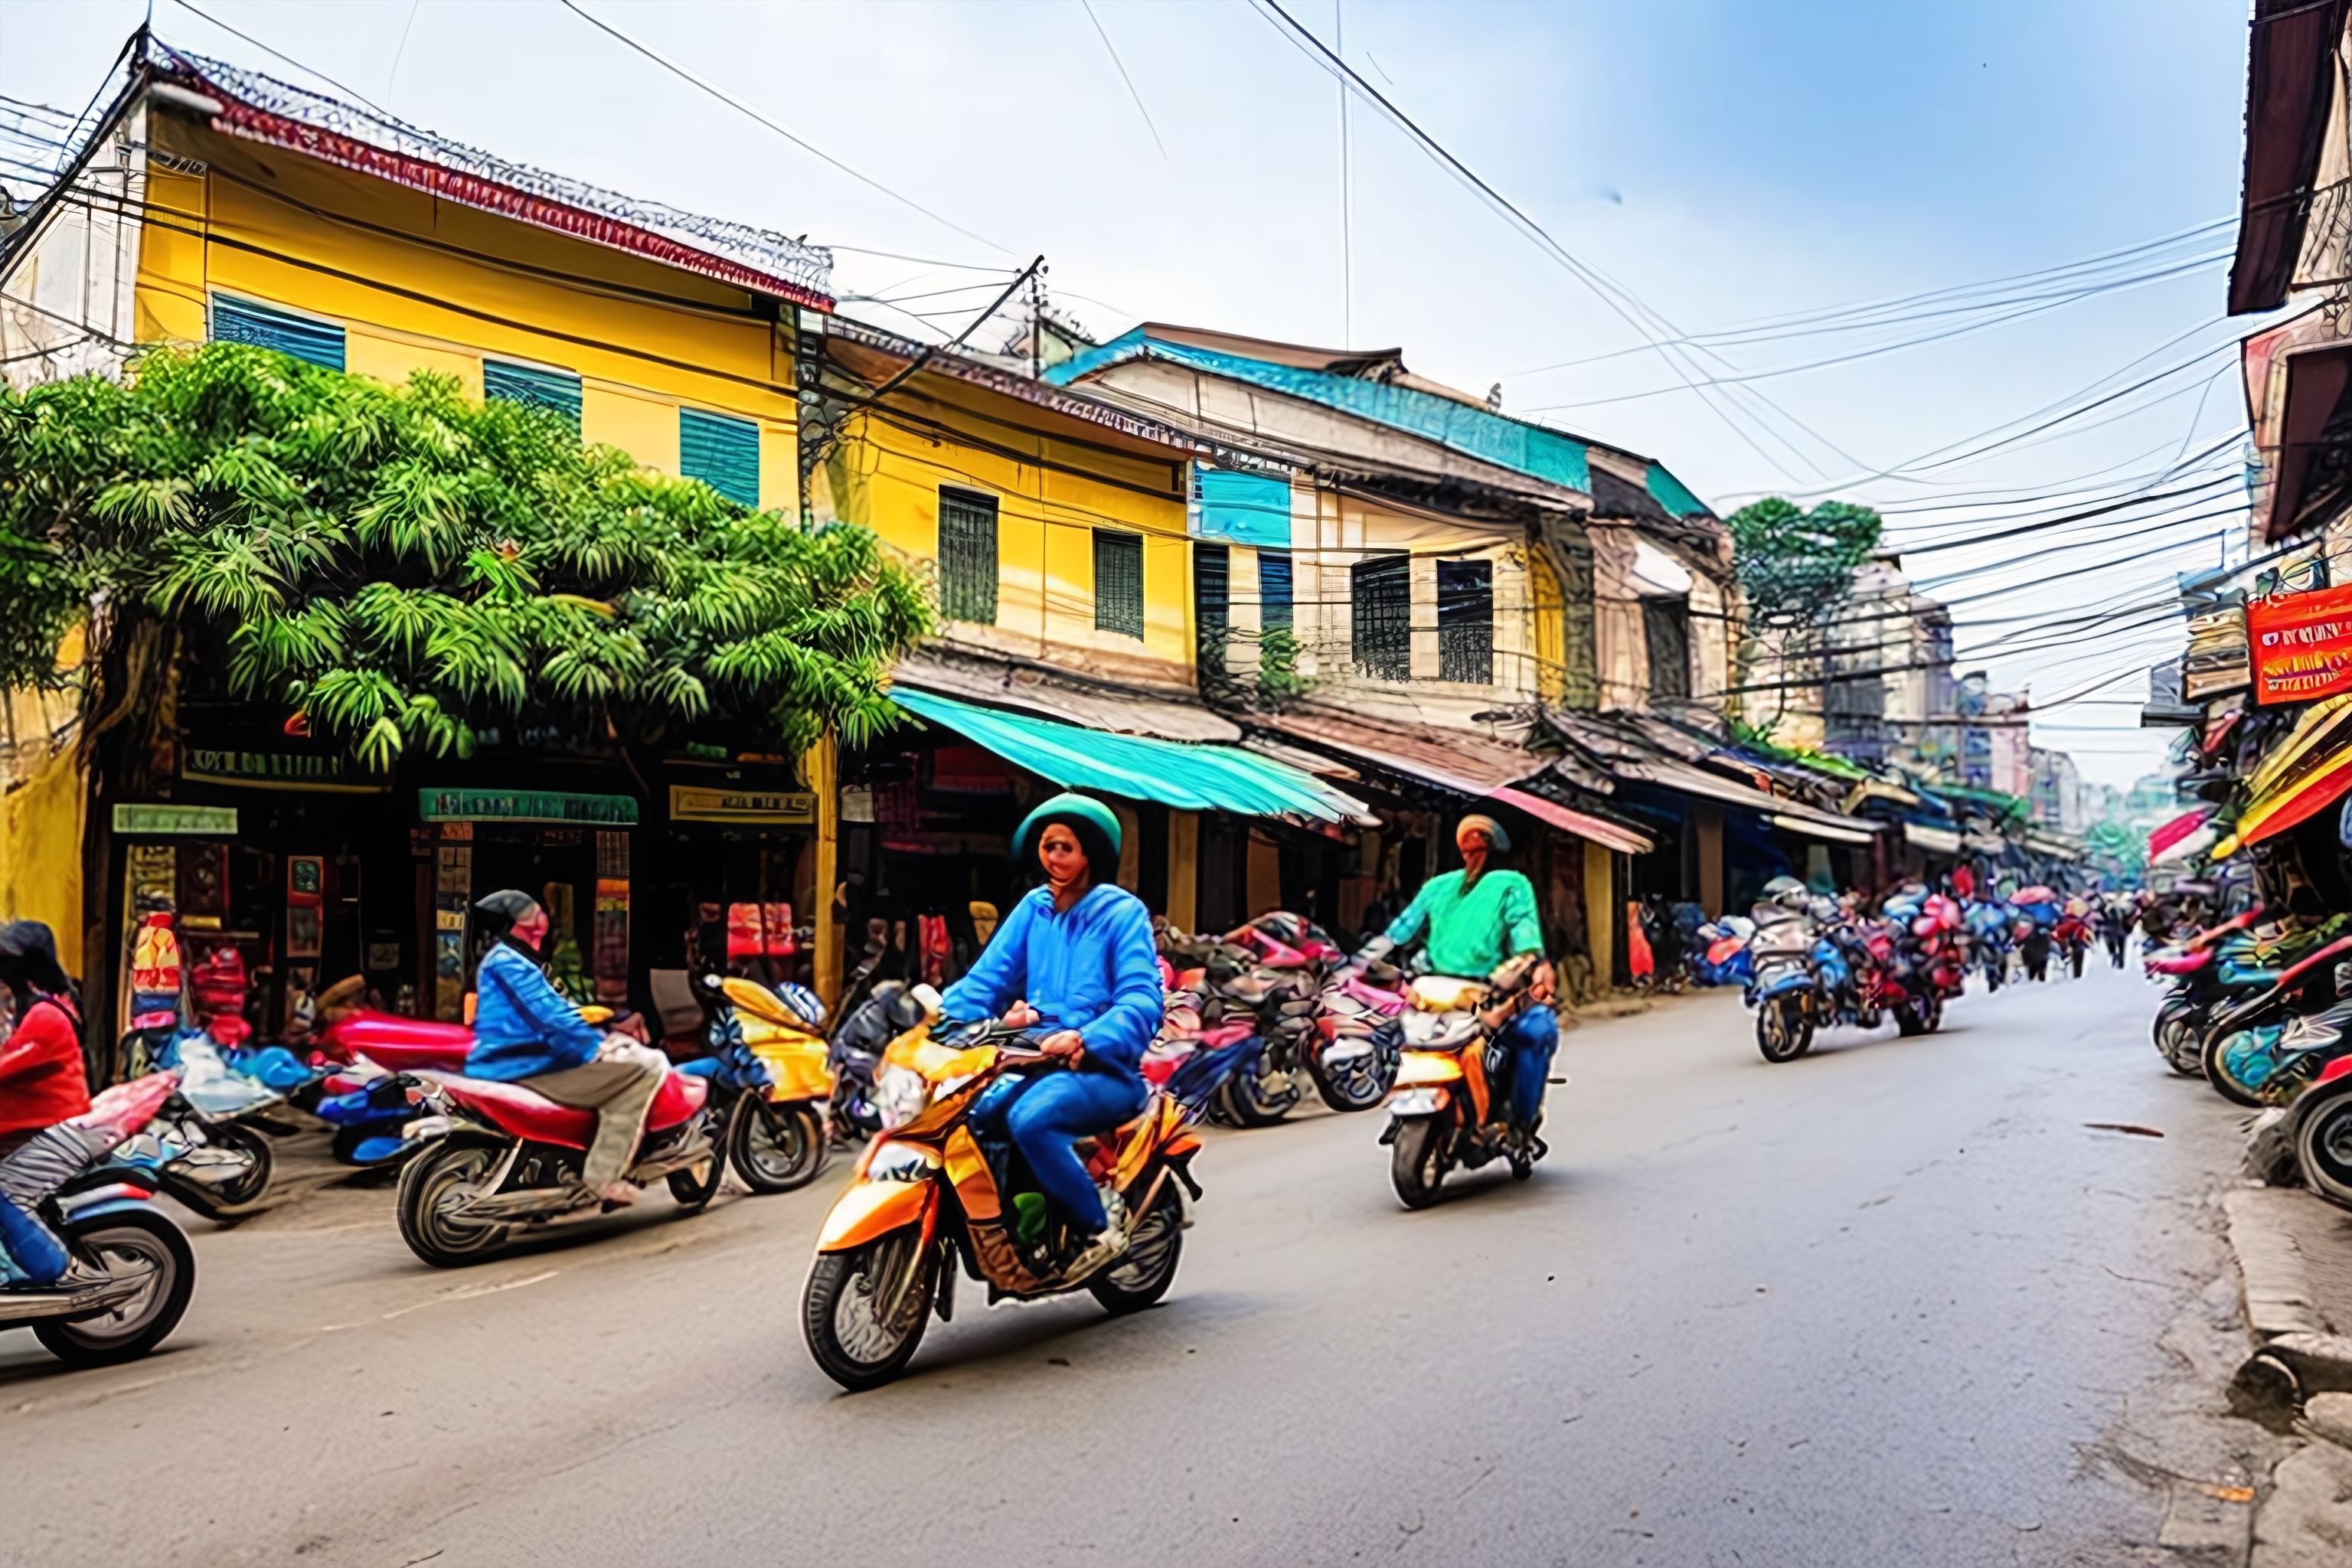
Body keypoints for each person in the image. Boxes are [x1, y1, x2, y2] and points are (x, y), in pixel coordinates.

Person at [942, 794, 1161, 1279]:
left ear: (1092, 855)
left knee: (1031, 1119)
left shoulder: (1121, 913)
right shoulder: (1034, 908)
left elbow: (1142, 1000)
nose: (1055, 858)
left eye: (1067, 848)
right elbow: (987, 979)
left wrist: (1086, 1037)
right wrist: (933, 1022)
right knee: (970, 1115)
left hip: (1101, 1068)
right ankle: (1019, 1230)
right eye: (1048, 847)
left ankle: (1099, 1227)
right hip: (1030, 1059)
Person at [463, 891, 669, 1210]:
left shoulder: (502, 963)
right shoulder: (511, 963)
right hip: (531, 1068)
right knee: (647, 1067)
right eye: (533, 919)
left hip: (517, 1063)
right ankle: (603, 1177)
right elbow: (554, 1018)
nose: (542, 925)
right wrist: (598, 1032)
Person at [1379, 815, 1557, 1152]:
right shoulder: (1437, 888)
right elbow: (1397, 932)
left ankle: (1518, 1124)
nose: (1472, 852)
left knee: (1535, 1032)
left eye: (1480, 846)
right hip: (1437, 992)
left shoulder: (1511, 885)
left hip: (1492, 993)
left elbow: (1526, 940)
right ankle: (1406, 1101)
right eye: (1467, 846)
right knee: (1392, 1033)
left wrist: (1519, 968)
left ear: (1493, 850)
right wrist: (1361, 964)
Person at [0, 922, 90, 1285]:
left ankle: (30, 1266)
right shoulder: (22, 1007)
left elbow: (9, 1064)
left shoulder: (46, 1013)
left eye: (6, 958)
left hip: (48, 1127)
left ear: (28, 963)